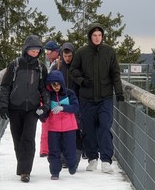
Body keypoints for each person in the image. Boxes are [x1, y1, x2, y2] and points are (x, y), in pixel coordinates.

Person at [69, 22, 124, 174]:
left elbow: (115, 73)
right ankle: (93, 158)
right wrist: (82, 81)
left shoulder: (109, 52)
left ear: (103, 36)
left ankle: (106, 160)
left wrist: (119, 92)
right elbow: (73, 71)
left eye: (100, 35)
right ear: (90, 36)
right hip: (86, 98)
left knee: (105, 127)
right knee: (88, 129)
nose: (97, 38)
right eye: (94, 35)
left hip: (105, 97)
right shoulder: (82, 52)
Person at [0, 35, 50, 183]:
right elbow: (5, 86)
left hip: (32, 109)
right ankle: (22, 165)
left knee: (28, 138)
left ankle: (25, 171)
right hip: (15, 107)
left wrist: (45, 105)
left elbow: (44, 89)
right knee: (18, 138)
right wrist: (3, 105)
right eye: (32, 50)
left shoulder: (40, 67)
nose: (35, 53)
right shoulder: (14, 65)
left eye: (37, 51)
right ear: (25, 49)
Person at [52, 42, 82, 169]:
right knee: (61, 132)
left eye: (70, 56)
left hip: (76, 103)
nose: (67, 58)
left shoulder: (79, 68)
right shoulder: (57, 68)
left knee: (75, 132)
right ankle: (64, 158)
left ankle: (74, 159)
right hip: (61, 102)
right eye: (65, 56)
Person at [46, 70, 79, 180]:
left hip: (69, 127)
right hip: (53, 127)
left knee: (70, 149)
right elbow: (44, 108)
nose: (55, 87)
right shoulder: (48, 95)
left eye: (57, 84)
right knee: (54, 150)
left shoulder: (70, 93)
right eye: (53, 85)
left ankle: (72, 164)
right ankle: (55, 172)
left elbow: (76, 107)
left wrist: (63, 108)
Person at [39, 40, 60, 157]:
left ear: (55, 52)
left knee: (48, 122)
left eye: (49, 51)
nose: (47, 54)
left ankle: (46, 149)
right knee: (46, 121)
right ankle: (45, 149)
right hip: (48, 96)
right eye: (46, 51)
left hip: (54, 96)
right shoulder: (52, 63)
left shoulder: (58, 64)